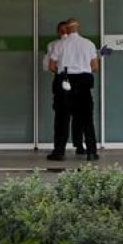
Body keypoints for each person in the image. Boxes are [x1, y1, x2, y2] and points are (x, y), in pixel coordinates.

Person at [46, 18, 99, 162]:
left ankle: (59, 152)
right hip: (84, 82)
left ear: (67, 29)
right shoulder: (89, 44)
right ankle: (92, 152)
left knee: (62, 118)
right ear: (78, 28)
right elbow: (95, 66)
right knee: (86, 118)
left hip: (65, 81)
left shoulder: (60, 44)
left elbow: (51, 66)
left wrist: (63, 71)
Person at [43, 21, 84, 155]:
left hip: (70, 80)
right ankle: (61, 148)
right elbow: (47, 65)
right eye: (62, 31)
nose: (64, 33)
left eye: (66, 30)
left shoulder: (78, 44)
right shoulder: (54, 45)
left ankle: (78, 145)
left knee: (76, 115)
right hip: (66, 80)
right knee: (63, 116)